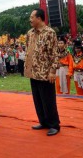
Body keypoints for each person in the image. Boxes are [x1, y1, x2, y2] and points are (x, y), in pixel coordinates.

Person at [24, 8, 60, 136]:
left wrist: (52, 71)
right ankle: (43, 122)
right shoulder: (30, 33)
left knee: (48, 99)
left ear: (39, 18)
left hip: (45, 72)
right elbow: (29, 50)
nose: (30, 20)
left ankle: (54, 124)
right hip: (33, 72)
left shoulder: (49, 33)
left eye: (32, 17)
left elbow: (54, 54)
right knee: (37, 99)